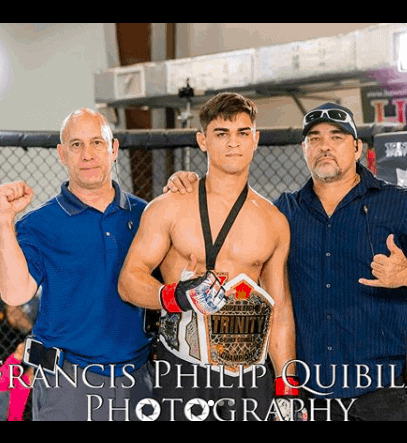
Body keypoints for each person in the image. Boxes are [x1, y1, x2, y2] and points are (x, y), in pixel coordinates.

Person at [164, 102, 407, 421]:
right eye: (315, 138)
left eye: (337, 137)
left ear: (357, 148)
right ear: (304, 149)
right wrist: (192, 186)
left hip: (383, 393)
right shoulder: (283, 211)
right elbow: (230, 231)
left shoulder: (397, 203)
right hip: (309, 393)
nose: (325, 146)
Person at [118, 92, 299, 421]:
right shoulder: (168, 207)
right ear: (202, 140)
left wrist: (287, 390)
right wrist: (174, 296)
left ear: (255, 139)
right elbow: (129, 282)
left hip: (249, 377)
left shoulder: (274, 221)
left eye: (242, 133)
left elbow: (280, 311)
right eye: (221, 133)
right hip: (183, 371)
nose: (233, 143)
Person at [0, 108, 154, 421]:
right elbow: (14, 294)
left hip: (138, 377)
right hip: (66, 382)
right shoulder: (39, 224)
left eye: (97, 142)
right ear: (62, 154)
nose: (87, 154)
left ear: (114, 149)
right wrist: (3, 220)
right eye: (76, 145)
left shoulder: (147, 215)